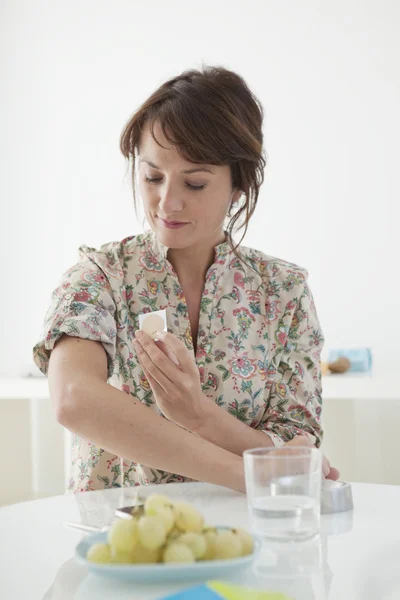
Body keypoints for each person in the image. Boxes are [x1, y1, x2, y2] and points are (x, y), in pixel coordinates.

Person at [33, 65, 339, 494]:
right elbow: (74, 399)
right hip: (122, 546)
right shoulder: (101, 276)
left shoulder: (283, 292)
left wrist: (198, 415)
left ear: (239, 186)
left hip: (248, 543)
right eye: (152, 176)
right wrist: (246, 475)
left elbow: (297, 449)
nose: (167, 202)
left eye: (195, 183)